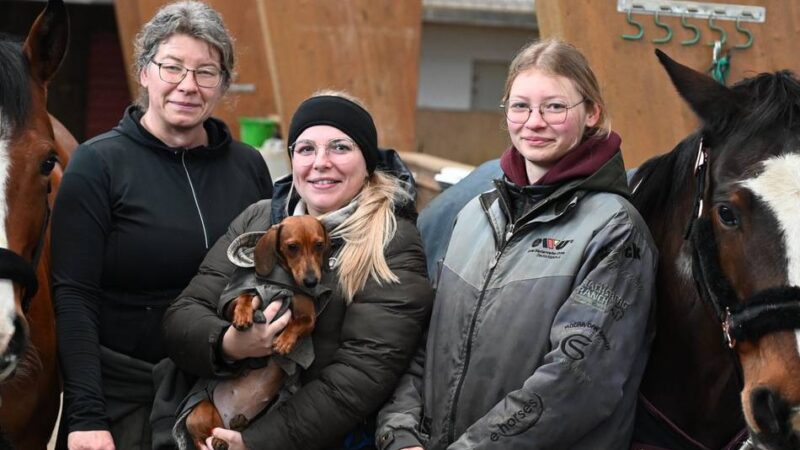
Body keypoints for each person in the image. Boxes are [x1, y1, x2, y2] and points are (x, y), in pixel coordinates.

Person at [376, 38, 658, 450]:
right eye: (520, 105)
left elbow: (578, 379)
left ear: (592, 113)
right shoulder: (475, 213)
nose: (535, 121)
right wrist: (400, 435)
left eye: (555, 106)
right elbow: (420, 343)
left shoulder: (614, 229)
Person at [51, 2, 273, 449]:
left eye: (206, 72)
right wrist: (85, 415)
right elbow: (73, 297)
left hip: (223, 394)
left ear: (223, 83)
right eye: (172, 67)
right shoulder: (97, 165)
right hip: (127, 396)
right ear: (145, 72)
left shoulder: (248, 167)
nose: (188, 86)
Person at [161, 91, 434, 450]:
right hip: (212, 420)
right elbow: (183, 315)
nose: (320, 162)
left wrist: (255, 443)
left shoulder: (392, 243)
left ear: (366, 160)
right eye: (306, 149)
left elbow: (361, 377)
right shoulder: (259, 219)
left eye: (339, 147)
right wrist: (228, 344)